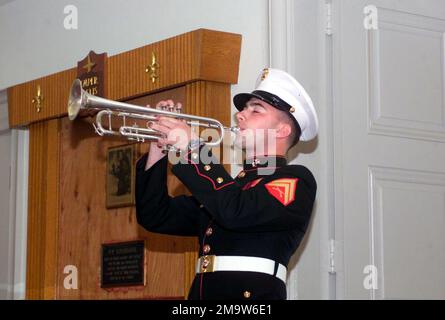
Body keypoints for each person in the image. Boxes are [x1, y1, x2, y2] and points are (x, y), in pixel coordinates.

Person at [135, 68, 318, 300]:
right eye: (243, 109)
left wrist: (194, 148)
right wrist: (159, 150)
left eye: (256, 110)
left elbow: (236, 211)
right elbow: (155, 215)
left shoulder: (297, 180)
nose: (240, 115)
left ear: (282, 130)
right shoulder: (229, 189)